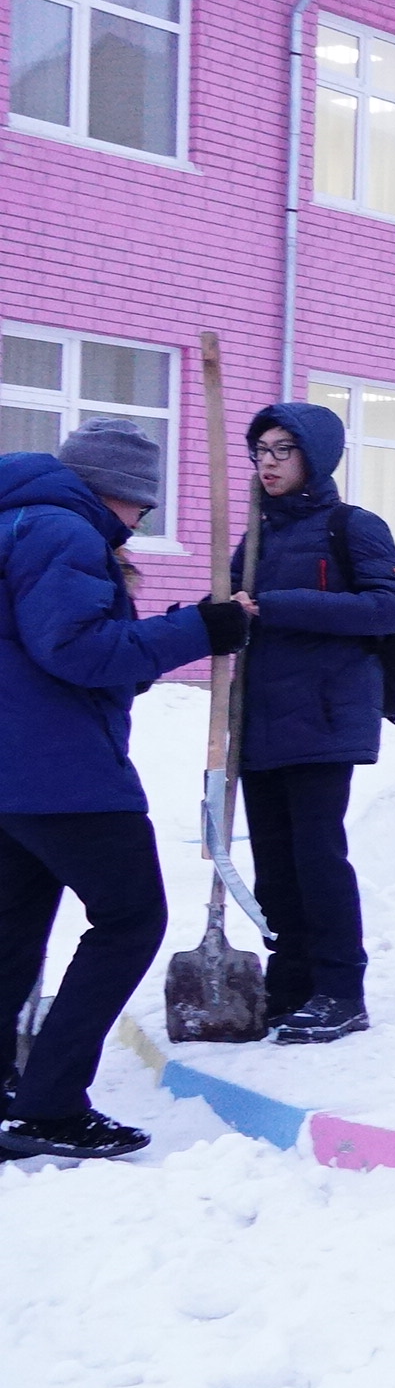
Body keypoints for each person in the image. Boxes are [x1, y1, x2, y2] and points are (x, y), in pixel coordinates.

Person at [0, 419, 246, 1160]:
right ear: (121, 492)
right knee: (130, 920)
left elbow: (79, 655)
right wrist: (199, 633)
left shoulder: (21, 521)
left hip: (19, 772)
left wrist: (189, 628)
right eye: (143, 508)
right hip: (62, 772)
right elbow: (77, 651)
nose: (142, 523)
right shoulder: (65, 533)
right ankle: (49, 1102)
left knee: (11, 937)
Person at [232, 402, 395, 1044]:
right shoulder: (254, 537)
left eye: (282, 449)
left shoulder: (351, 526)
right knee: (274, 865)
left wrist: (277, 607)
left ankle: (341, 991)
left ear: (315, 454)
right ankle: (290, 986)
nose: (268, 463)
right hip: (259, 723)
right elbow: (236, 618)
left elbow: (394, 607)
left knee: (317, 858)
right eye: (260, 450)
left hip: (322, 717)